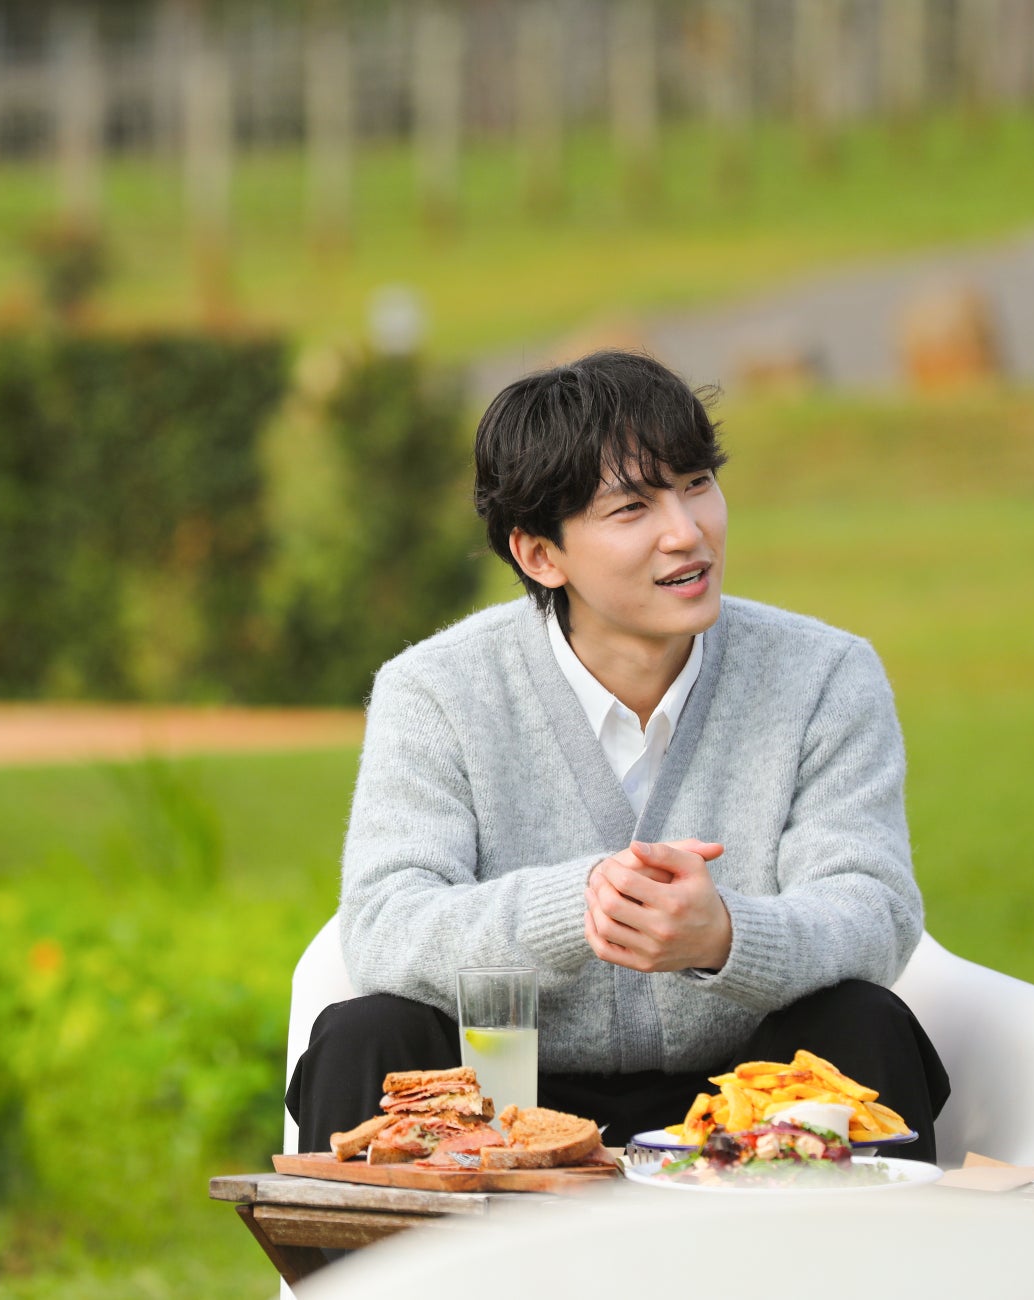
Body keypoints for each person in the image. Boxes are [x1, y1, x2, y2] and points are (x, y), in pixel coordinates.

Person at [286, 350, 950, 1161]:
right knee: (366, 1034)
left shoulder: (825, 675)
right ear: (540, 554)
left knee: (864, 1023)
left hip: (747, 1099)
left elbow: (874, 909)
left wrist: (725, 935)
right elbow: (384, 925)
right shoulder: (434, 691)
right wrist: (584, 905)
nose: (687, 532)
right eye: (633, 507)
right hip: (502, 1104)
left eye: (698, 483)